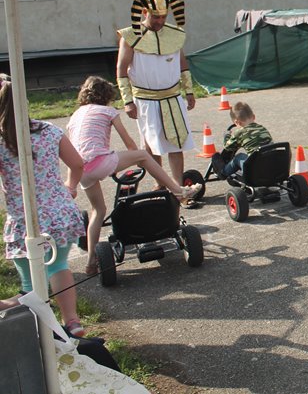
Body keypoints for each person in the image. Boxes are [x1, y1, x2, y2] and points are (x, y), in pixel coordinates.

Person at [66, 76, 202, 274]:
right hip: (100, 161)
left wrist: (71, 183)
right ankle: (178, 190)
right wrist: (135, 157)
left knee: (98, 212)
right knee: (142, 154)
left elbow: (74, 146)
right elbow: (128, 142)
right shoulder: (108, 110)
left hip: (81, 168)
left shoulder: (75, 115)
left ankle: (90, 262)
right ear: (107, 96)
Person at [0, 74, 87, 337]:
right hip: (60, 215)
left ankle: (40, 330)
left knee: (30, 281)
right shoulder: (49, 131)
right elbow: (78, 164)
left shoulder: (2, 140)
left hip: (25, 219)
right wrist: (70, 187)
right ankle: (72, 321)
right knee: (58, 266)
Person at [116, 0, 196, 191]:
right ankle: (160, 184)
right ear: (144, 13)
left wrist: (189, 91)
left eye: (163, 16)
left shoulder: (174, 35)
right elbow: (121, 70)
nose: (160, 20)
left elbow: (183, 63)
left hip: (173, 98)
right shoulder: (130, 36)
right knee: (152, 145)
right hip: (145, 100)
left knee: (177, 143)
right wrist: (127, 101)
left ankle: (178, 188)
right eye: (155, 16)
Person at [211, 102, 273, 178]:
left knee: (239, 157)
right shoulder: (262, 128)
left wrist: (227, 136)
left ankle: (223, 172)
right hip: (271, 165)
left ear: (237, 122)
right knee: (254, 155)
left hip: (255, 170)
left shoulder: (239, 132)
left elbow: (228, 147)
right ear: (253, 117)